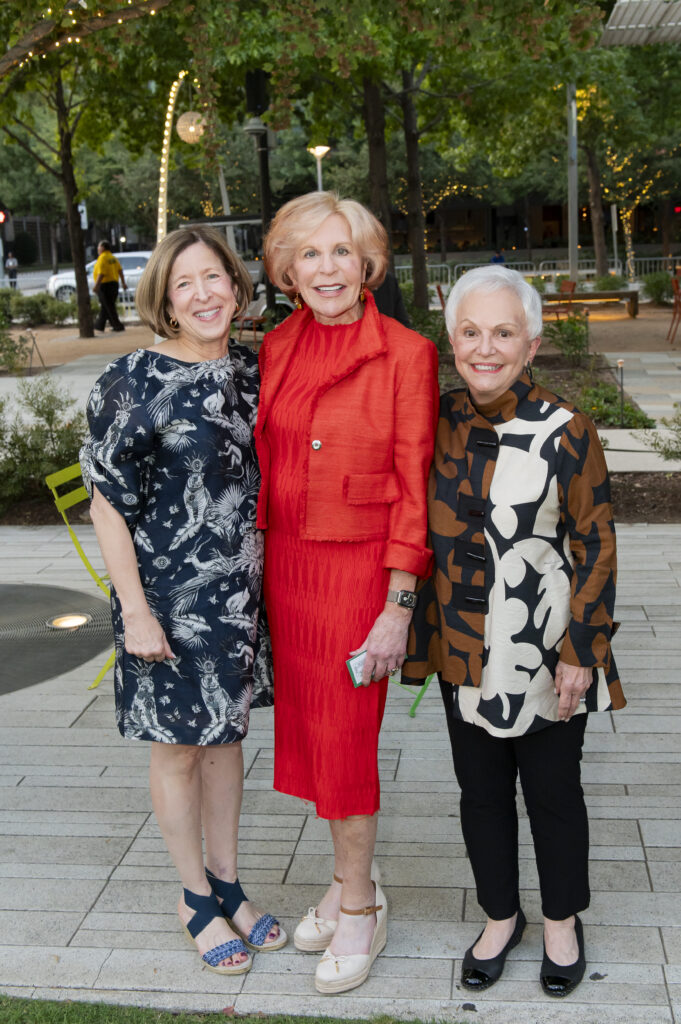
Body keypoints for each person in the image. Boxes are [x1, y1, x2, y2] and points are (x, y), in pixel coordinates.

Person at [403, 265, 625, 998]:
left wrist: (581, 652)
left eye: (503, 333)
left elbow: (595, 544)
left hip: (543, 648)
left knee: (554, 793)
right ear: (451, 339)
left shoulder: (567, 431)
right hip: (462, 648)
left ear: (530, 346)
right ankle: (500, 916)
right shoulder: (430, 422)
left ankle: (560, 920)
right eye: (470, 332)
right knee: (480, 793)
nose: (485, 347)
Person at [79, 226, 285, 976]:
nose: (203, 295)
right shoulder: (130, 379)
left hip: (240, 593)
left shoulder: (254, 371)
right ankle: (194, 896)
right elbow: (106, 504)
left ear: (236, 285)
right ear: (164, 298)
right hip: (165, 597)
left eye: (214, 279)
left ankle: (228, 878)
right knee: (179, 746)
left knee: (225, 738)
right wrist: (134, 608)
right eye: (184, 284)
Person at [257, 191, 439, 993]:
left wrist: (397, 605)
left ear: (367, 263)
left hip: (360, 574)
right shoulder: (276, 345)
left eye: (342, 252)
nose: (326, 269)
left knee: (345, 745)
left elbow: (413, 486)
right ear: (285, 269)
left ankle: (361, 904)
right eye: (309, 254)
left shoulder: (405, 353)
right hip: (289, 570)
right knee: (313, 740)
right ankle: (341, 879)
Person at [93, 240, 127, 332]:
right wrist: (123, 283)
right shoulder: (113, 258)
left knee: (109, 306)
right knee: (106, 306)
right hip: (114, 284)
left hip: (104, 285)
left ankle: (117, 325)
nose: (97, 249)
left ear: (103, 248)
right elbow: (120, 271)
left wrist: (96, 286)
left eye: (98, 247)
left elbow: (101, 274)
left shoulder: (102, 258)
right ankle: (99, 325)